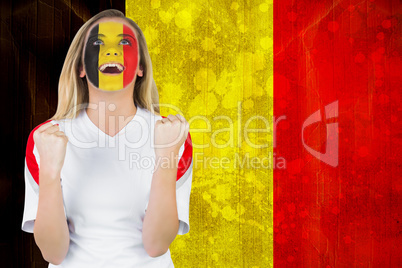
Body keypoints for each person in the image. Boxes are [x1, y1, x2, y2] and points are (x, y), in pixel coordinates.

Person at [21, 9, 193, 268]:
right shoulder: (45, 138)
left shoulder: (173, 135)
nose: (112, 51)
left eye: (124, 42)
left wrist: (166, 156)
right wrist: (50, 172)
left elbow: (157, 245)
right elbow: (53, 253)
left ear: (141, 67)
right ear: (80, 67)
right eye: (98, 43)